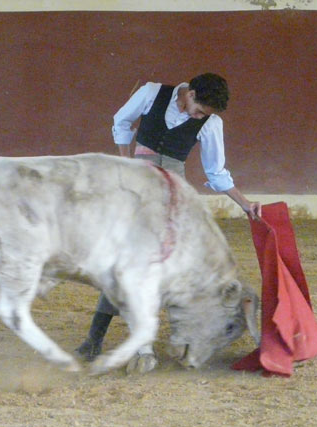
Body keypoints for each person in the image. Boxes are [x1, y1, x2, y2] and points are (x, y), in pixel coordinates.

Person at [75, 73, 261, 363]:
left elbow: (216, 172)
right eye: (199, 109)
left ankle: (180, 337)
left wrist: (245, 204)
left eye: (204, 114)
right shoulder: (152, 94)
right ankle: (95, 339)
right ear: (190, 93)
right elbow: (121, 121)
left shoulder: (211, 123)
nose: (199, 116)